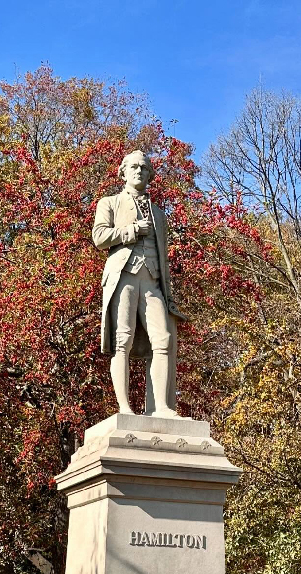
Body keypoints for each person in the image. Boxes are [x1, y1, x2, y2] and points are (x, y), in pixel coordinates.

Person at [92, 150, 187, 417]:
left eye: (144, 168)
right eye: (133, 167)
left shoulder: (159, 214)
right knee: (123, 339)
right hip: (124, 276)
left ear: (150, 175)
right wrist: (130, 231)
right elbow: (99, 237)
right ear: (122, 172)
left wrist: (168, 294)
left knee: (164, 339)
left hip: (152, 280)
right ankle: (124, 408)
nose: (139, 172)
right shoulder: (109, 202)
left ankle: (162, 408)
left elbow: (164, 259)